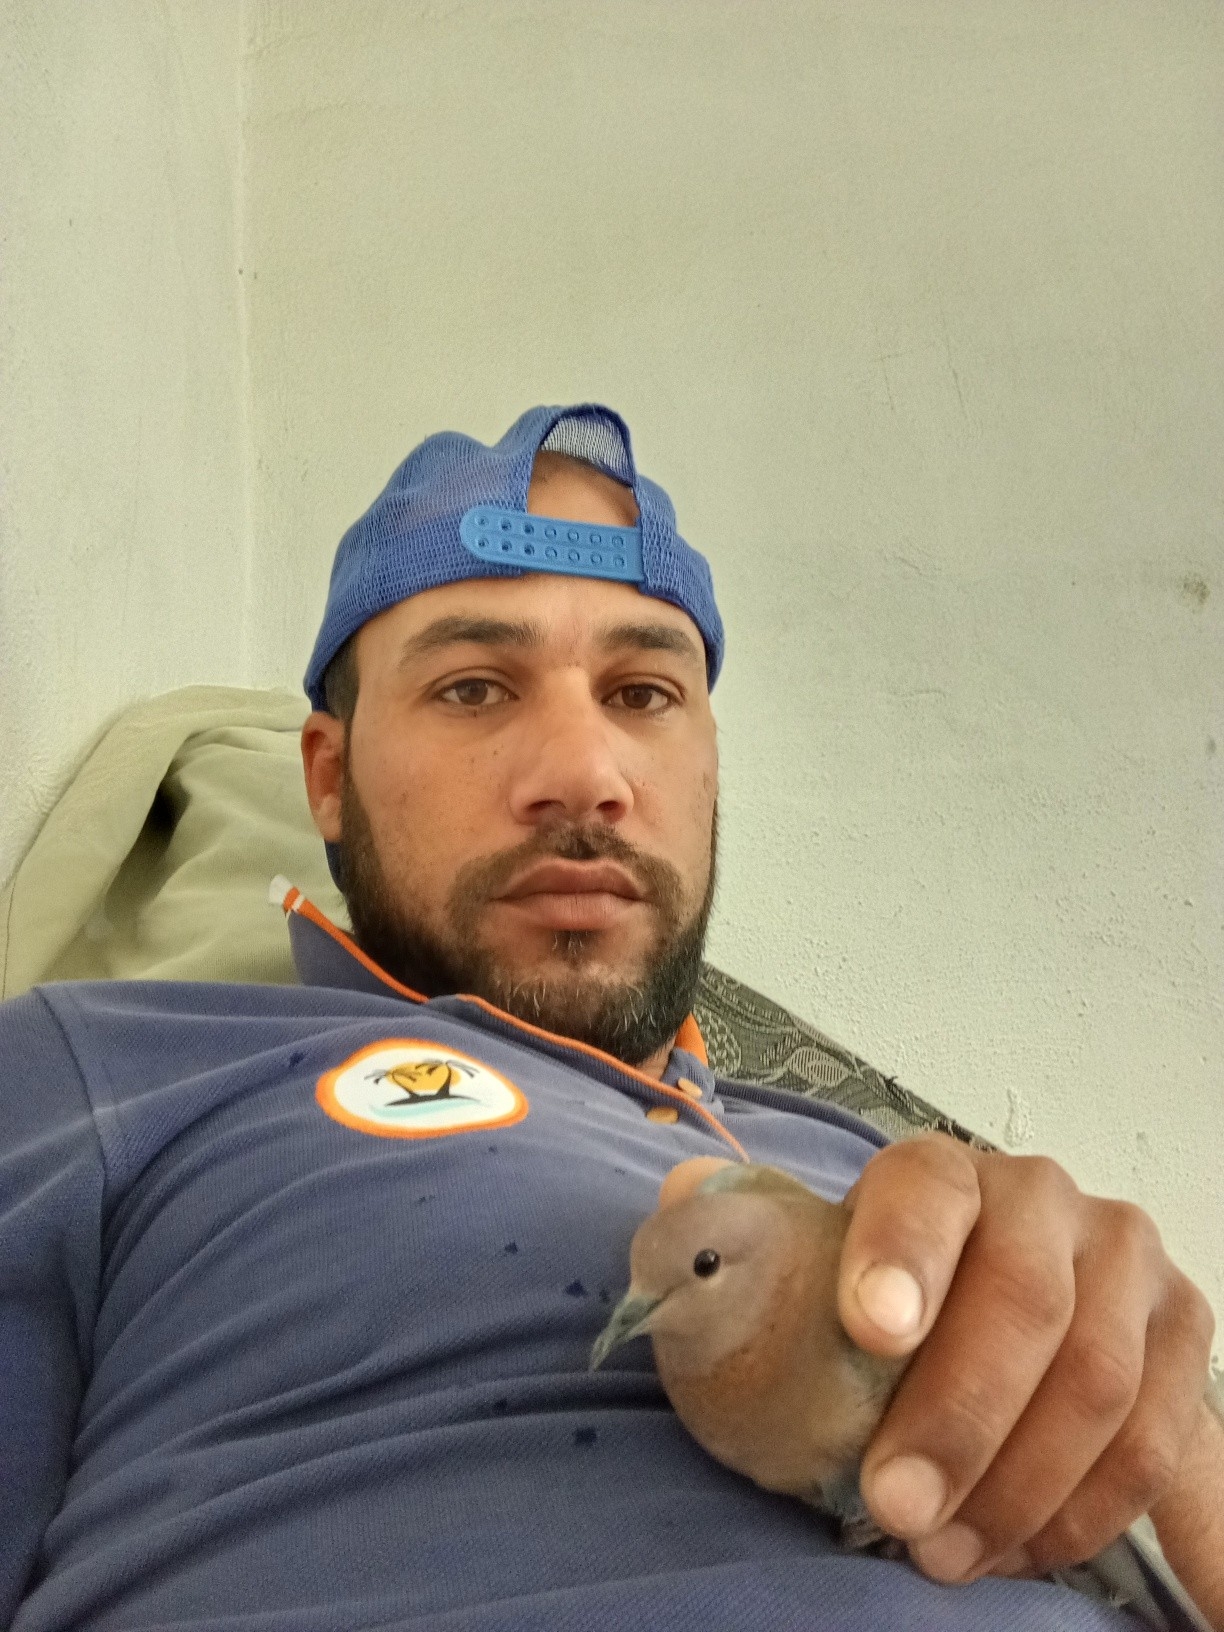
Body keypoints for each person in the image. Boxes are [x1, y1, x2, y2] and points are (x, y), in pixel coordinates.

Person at [1, 403, 1219, 1631]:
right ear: (327, 776)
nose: (585, 776)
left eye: (642, 693)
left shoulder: (876, 1163)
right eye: (474, 689)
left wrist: (1157, 1425)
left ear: (710, 769)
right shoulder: (120, 1071)